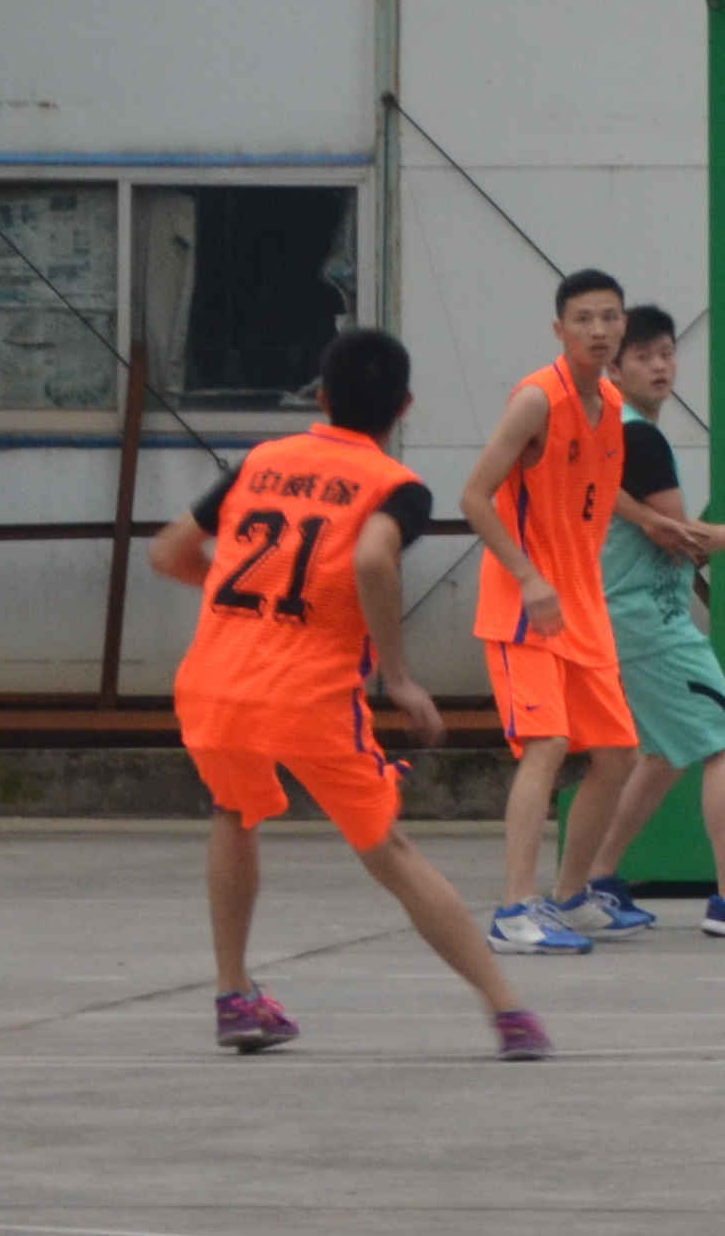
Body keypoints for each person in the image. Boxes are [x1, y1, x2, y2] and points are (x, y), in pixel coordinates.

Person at [145, 325, 550, 1059]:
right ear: (406, 406)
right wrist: (398, 676)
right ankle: (509, 1011)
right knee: (389, 850)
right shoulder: (396, 487)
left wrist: (249, 602)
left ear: (322, 398)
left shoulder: (261, 461)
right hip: (308, 691)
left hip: (214, 681)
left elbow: (169, 552)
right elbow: (370, 559)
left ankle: (234, 995)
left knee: (234, 813)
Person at [565, 306, 725, 941]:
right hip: (648, 619)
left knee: (665, 752)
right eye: (643, 357)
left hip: (617, 614)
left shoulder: (605, 430)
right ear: (615, 369)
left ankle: (600, 877)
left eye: (667, 353)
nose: (660, 366)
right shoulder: (638, 438)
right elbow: (678, 537)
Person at [460, 270, 642, 954]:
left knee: (618, 755)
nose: (598, 330)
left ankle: (569, 897)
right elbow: (474, 496)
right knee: (547, 745)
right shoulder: (538, 399)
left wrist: (663, 526)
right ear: (559, 329)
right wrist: (530, 578)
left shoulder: (612, 403)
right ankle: (514, 911)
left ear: (623, 326)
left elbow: (596, 493)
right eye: (584, 318)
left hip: (581, 606)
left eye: (609, 317)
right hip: (524, 605)